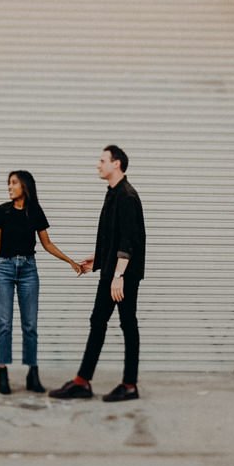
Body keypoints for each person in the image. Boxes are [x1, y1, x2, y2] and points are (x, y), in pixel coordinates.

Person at [49, 144, 145, 403]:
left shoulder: (126, 195)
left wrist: (119, 276)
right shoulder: (114, 193)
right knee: (98, 322)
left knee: (127, 325)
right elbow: (112, 235)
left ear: (117, 164)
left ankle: (129, 385)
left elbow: (128, 240)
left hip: (122, 276)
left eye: (102, 160)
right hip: (112, 271)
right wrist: (99, 261)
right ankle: (82, 381)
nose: (98, 165)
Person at [0, 169, 82, 395]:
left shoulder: (34, 211)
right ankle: (3, 372)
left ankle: (32, 374)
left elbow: (47, 243)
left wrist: (69, 260)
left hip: (28, 269)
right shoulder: (2, 211)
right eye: (8, 183)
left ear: (24, 186)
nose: (9, 187)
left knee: (30, 325)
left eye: (14, 183)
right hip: (4, 269)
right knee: (4, 324)